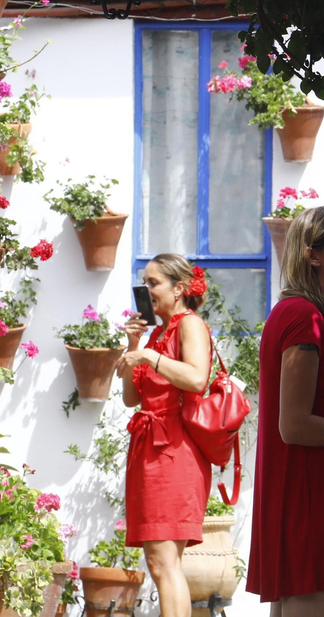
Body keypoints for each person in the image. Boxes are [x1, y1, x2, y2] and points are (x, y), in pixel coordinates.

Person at [248, 205, 324, 617]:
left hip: (306, 503)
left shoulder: (307, 316)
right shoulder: (303, 317)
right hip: (310, 507)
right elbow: (294, 426)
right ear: (312, 255)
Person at [118, 253, 214, 617]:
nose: (147, 290)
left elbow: (196, 378)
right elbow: (131, 398)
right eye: (145, 283)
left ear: (179, 288)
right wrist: (134, 346)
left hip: (174, 450)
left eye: (153, 282)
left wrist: (148, 358)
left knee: (163, 562)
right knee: (160, 562)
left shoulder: (190, 325)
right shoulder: (157, 334)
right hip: (150, 450)